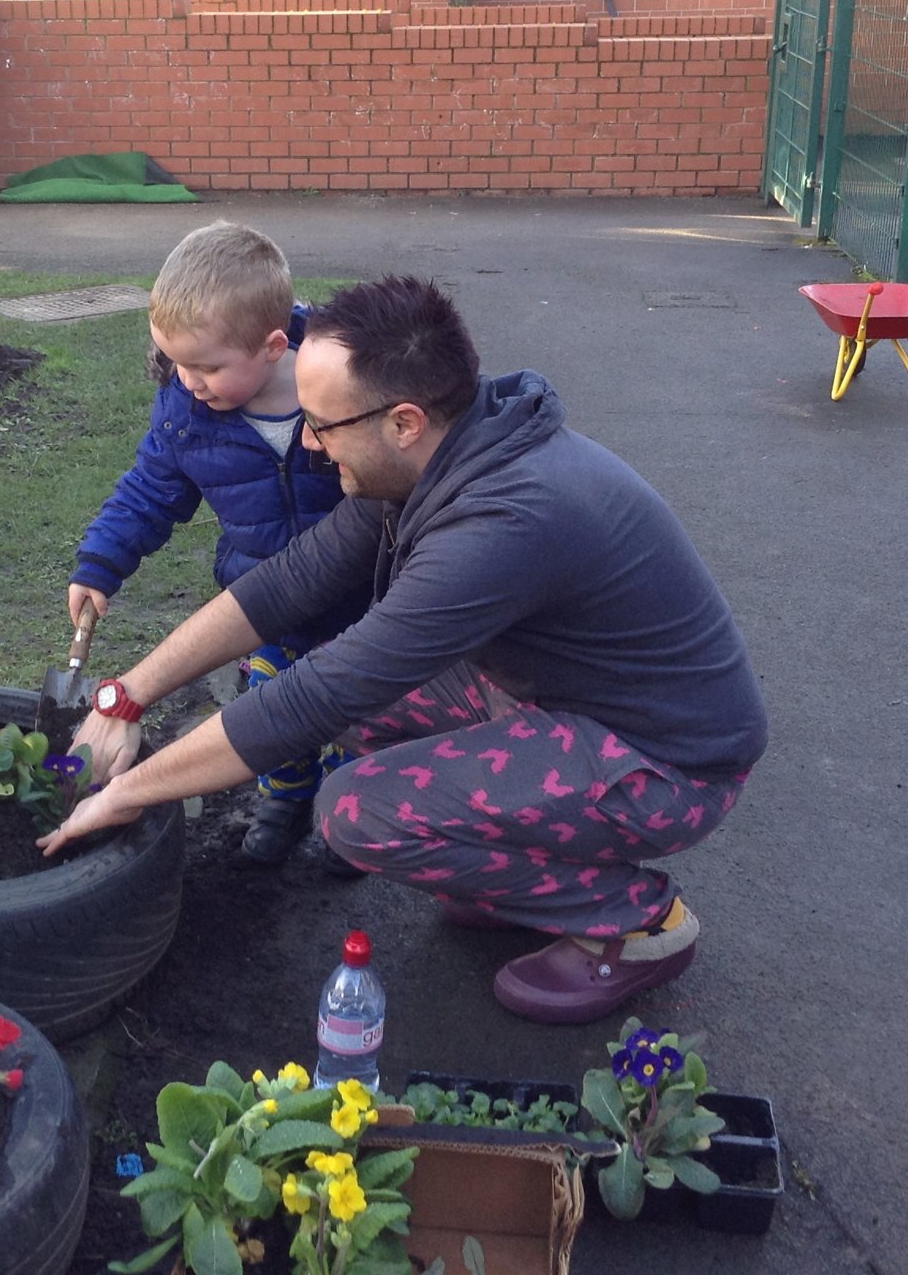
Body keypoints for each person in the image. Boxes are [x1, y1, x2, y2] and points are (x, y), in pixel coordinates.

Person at [41, 274, 769, 1025]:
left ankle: (642, 924)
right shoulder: (441, 455)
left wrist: (128, 791)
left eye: (323, 426)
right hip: (561, 699)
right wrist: (124, 695)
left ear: (405, 421)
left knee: (356, 810)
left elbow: (326, 691)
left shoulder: (503, 523)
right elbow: (289, 584)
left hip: (665, 762)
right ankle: (517, 873)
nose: (315, 449)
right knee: (359, 710)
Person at [68, 220, 362, 867]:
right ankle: (283, 799)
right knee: (271, 713)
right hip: (262, 609)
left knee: (354, 725)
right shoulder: (186, 411)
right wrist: (101, 562)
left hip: (358, 606)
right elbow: (151, 490)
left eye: (206, 366)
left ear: (273, 346)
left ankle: (342, 817)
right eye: (174, 361)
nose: (188, 379)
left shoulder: (344, 391)